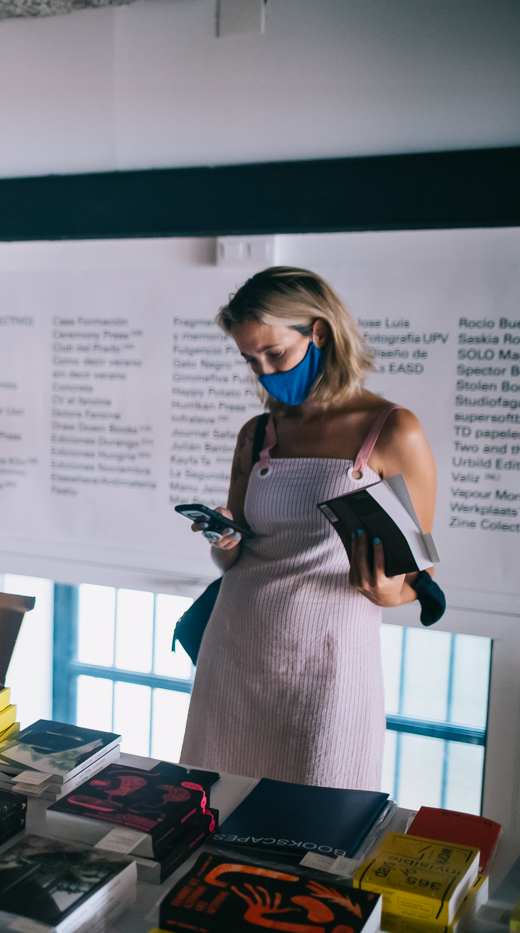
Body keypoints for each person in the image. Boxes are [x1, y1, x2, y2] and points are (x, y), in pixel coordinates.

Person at [178, 266, 437, 791]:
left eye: (274, 353)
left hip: (328, 667)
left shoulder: (393, 430)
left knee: (319, 816)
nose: (264, 372)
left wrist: (386, 591)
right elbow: (237, 555)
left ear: (319, 332)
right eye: (250, 360)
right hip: (232, 654)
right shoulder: (257, 434)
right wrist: (223, 542)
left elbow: (419, 573)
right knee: (214, 812)